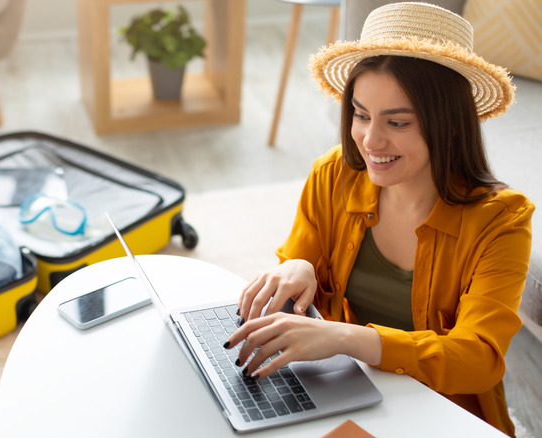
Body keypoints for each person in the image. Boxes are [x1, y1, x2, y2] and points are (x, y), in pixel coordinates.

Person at [223, 3, 533, 436]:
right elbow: (297, 280)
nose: (371, 140)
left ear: (451, 126)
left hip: (442, 416)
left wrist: (346, 339)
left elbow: (479, 359)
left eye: (398, 122)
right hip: (343, 394)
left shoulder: (501, 221)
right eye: (361, 114)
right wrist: (296, 266)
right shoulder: (333, 175)